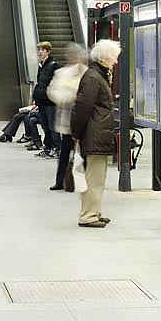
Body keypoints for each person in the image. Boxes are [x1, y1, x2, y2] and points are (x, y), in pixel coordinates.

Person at [70, 38, 120, 227]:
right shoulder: (93, 77)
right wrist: (77, 133)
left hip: (97, 134)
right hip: (94, 134)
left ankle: (94, 212)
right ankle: (88, 216)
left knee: (97, 178)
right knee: (94, 179)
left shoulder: (97, 75)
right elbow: (81, 107)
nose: (115, 62)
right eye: (114, 58)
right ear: (105, 57)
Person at [47, 43, 88, 192]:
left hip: (84, 121)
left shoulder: (87, 73)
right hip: (67, 121)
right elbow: (53, 92)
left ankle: (83, 180)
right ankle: (60, 181)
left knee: (84, 153)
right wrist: (70, 96)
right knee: (64, 152)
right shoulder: (62, 73)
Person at [31, 41, 60, 156]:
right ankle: (48, 147)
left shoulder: (53, 65)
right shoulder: (41, 66)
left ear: (48, 51)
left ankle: (57, 147)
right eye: (39, 50)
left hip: (50, 101)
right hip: (42, 101)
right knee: (45, 125)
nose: (40, 52)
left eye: (42, 50)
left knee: (52, 125)